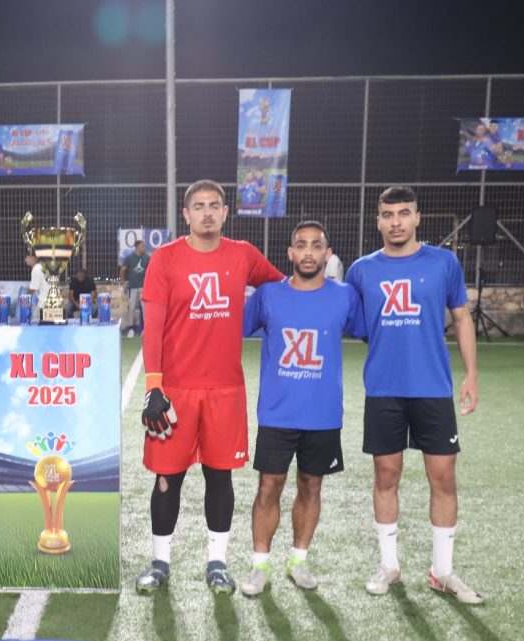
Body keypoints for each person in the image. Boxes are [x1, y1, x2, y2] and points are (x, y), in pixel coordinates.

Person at [136, 179, 284, 594]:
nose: (207, 213)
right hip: (176, 391)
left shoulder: (243, 255)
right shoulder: (165, 259)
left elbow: (280, 288)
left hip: (225, 391)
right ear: (186, 215)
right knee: (167, 479)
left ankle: (217, 563)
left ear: (225, 213)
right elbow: (153, 327)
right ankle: (160, 562)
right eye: (198, 206)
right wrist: (153, 386)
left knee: (221, 478)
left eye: (214, 205)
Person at [346, 186, 483, 604]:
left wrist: (471, 375)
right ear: (378, 221)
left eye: (404, 213)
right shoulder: (361, 270)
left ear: (418, 217)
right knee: (386, 476)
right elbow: (356, 324)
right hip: (384, 390)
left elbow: (461, 318)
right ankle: (389, 565)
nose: (396, 222)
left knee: (443, 478)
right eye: (388, 215)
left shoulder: (444, 263)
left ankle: (442, 571)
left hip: (433, 389)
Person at [239, 221, 364, 596]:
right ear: (290, 253)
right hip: (277, 413)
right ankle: (260, 566)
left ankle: (298, 561)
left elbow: (370, 332)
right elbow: (233, 329)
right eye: (301, 245)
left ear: (328, 254)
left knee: (311, 486)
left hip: (323, 415)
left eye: (316, 245)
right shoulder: (268, 295)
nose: (309, 252)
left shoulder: (345, 296)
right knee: (268, 487)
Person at [120, 239, 150, 336]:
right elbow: (122, 270)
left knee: (145, 308)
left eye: (144, 246)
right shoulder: (129, 258)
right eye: (142, 246)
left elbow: (151, 270)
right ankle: (130, 329)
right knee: (131, 308)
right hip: (132, 287)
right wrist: (123, 283)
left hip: (143, 287)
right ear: (137, 247)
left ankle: (145, 329)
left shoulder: (147, 257)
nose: (144, 248)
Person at [26, 253, 50, 322]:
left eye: (27, 257)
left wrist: (24, 298)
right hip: (49, 300)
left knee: (35, 320)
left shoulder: (36, 269)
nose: (26, 259)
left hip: (43, 302)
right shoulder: (42, 266)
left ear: (34, 258)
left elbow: (32, 289)